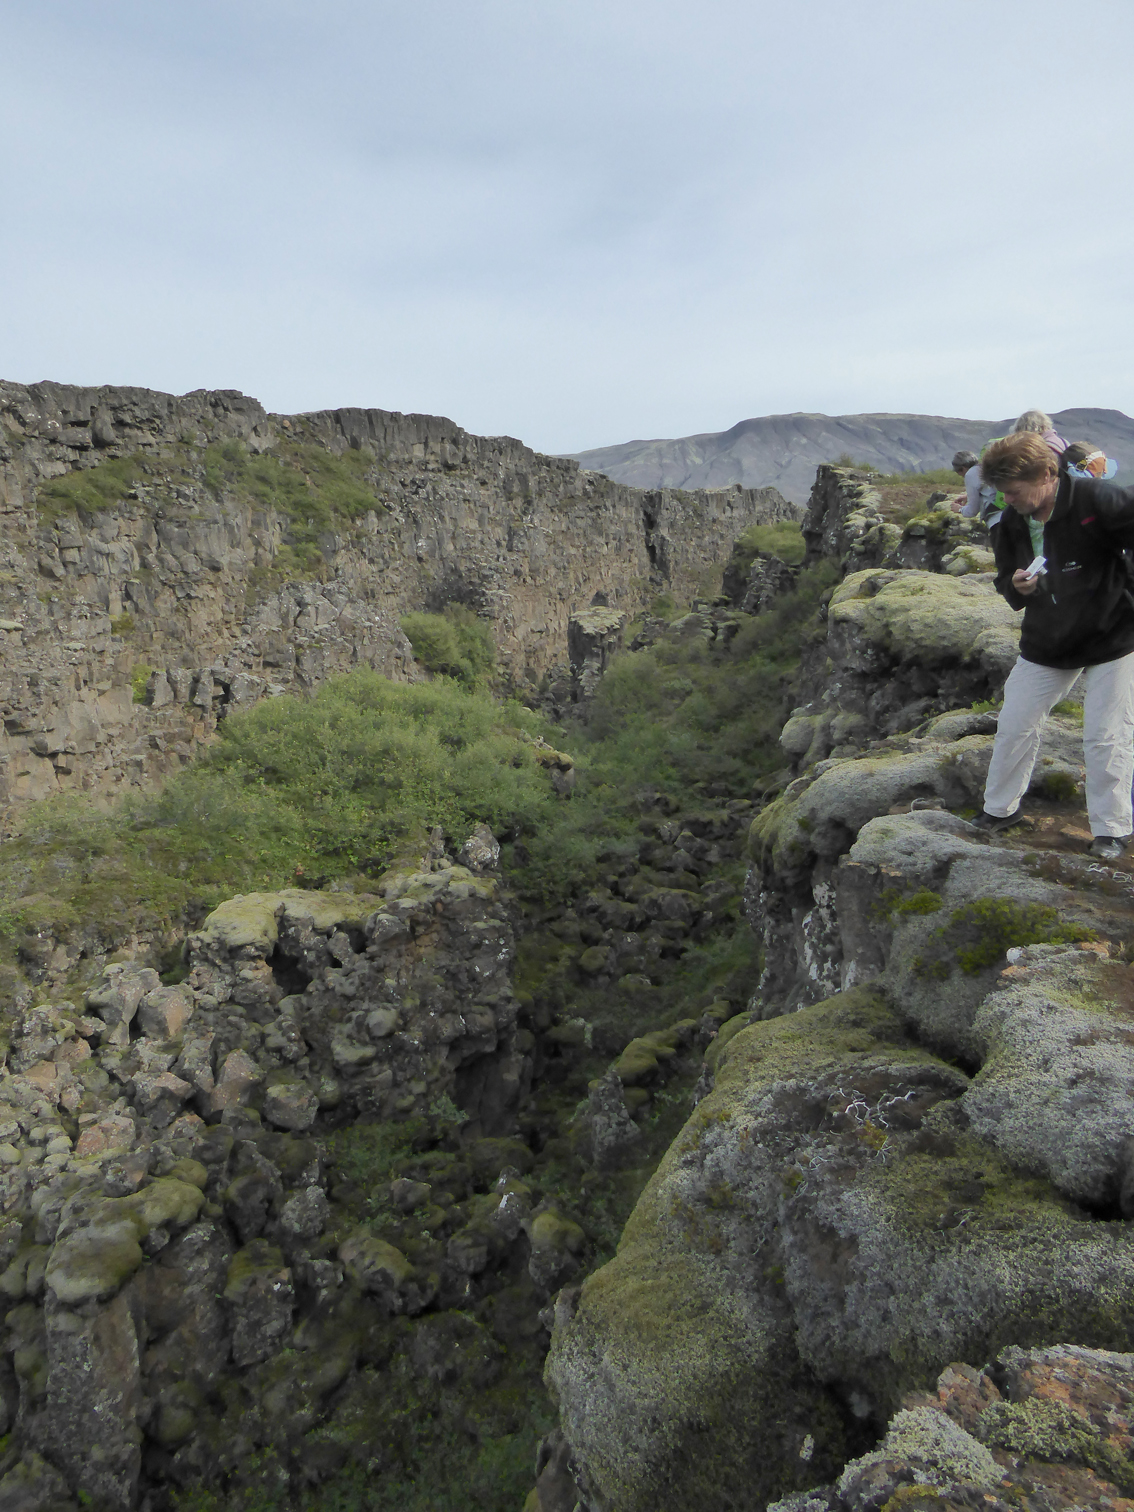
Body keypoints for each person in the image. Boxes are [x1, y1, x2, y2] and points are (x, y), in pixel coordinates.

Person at [970, 432, 1134, 859]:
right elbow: (1004, 577)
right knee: (1015, 722)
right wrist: (1016, 586)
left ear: (1047, 474)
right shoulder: (1010, 522)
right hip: (1049, 639)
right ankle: (999, 811)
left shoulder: (1096, 501)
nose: (1008, 501)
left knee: (1106, 735)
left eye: (1014, 492)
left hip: (1113, 633)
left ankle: (1111, 830)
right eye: (1002, 493)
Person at [950, 447, 1002, 525]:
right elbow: (989, 491)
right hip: (1008, 513)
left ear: (963, 468)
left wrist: (960, 509)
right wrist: (968, 497)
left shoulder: (970, 474)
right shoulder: (983, 468)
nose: (961, 476)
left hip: (996, 518)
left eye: (959, 472)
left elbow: (972, 511)